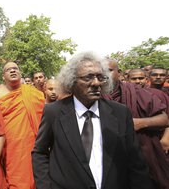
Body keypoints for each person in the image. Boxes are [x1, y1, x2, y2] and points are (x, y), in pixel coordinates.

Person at [32, 51, 154, 189]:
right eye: (88, 77)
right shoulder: (53, 112)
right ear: (71, 81)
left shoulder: (120, 112)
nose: (96, 83)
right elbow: (39, 153)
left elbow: (135, 160)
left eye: (100, 77)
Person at [106, 59, 169, 188]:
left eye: (109, 70)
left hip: (140, 153)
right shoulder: (91, 96)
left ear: (119, 72)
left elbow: (164, 119)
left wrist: (139, 123)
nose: (104, 74)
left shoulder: (137, 93)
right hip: (107, 156)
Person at [0, 62, 45, 189]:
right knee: (15, 179)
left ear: (20, 73)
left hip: (33, 145)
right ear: (3, 76)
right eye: (8, 69)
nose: (12, 71)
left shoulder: (35, 94)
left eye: (15, 68)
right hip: (10, 147)